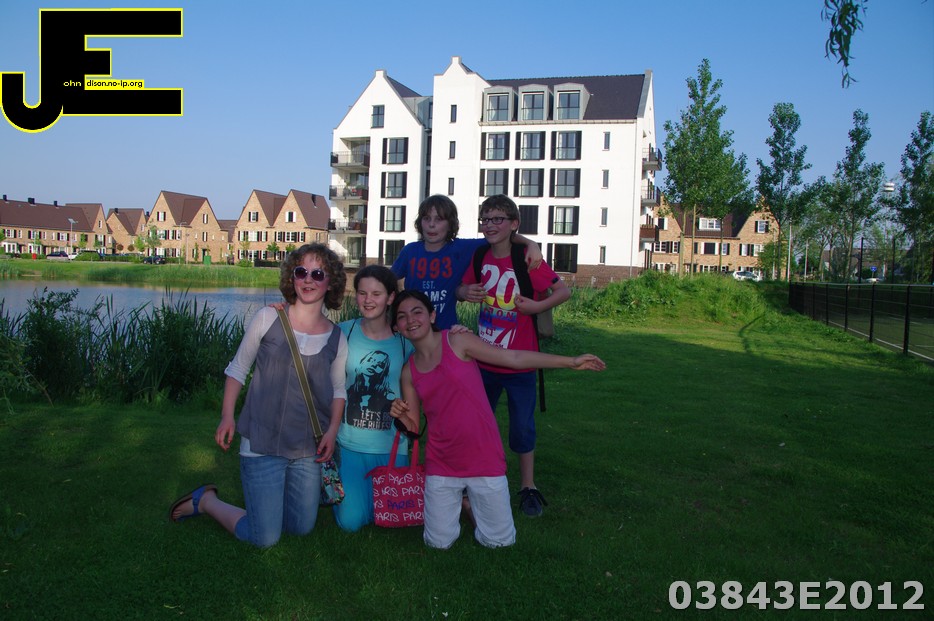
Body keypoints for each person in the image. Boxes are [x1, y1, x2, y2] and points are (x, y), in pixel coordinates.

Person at [389, 290, 605, 550]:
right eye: (402, 316)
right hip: (442, 463)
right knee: (437, 543)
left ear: (432, 315)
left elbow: (513, 358)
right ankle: (464, 503)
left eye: (417, 312)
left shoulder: (458, 340)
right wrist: (401, 416)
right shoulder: (408, 371)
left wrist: (570, 361)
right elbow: (413, 429)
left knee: (500, 542)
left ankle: (469, 504)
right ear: (397, 327)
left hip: (483, 456)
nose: (411, 320)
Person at [169, 243, 349, 548]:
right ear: (292, 277)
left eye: (317, 274)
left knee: (301, 528)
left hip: (308, 448)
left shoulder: (337, 337)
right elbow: (238, 369)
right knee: (264, 538)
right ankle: (207, 501)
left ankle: (270, 507)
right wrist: (227, 416)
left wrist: (332, 430)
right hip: (262, 443)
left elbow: (338, 389)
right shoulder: (268, 318)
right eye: (301, 272)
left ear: (330, 283)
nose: (308, 280)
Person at [458, 194, 572, 518]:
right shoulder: (479, 255)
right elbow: (461, 288)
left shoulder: (526, 258)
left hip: (522, 361)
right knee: (477, 423)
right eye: (485, 219)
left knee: (522, 427)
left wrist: (536, 307)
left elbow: (563, 290)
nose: (490, 225)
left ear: (513, 224)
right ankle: (473, 480)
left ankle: (528, 487)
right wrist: (463, 292)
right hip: (484, 361)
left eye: (498, 219)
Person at [332, 264, 414, 532]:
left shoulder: (405, 342)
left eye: (376, 294)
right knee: (350, 523)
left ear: (390, 297)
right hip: (350, 444)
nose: (368, 300)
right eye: (362, 293)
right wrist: (284, 312)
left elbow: (436, 353)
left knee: (391, 518)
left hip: (391, 447)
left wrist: (458, 332)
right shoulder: (343, 332)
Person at [391, 194, 543, 330]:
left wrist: (530, 243)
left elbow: (501, 236)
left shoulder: (462, 248)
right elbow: (387, 282)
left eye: (439, 219)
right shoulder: (409, 251)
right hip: (411, 330)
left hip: (445, 332)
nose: (431, 224)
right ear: (420, 222)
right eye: (426, 218)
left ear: (450, 224)